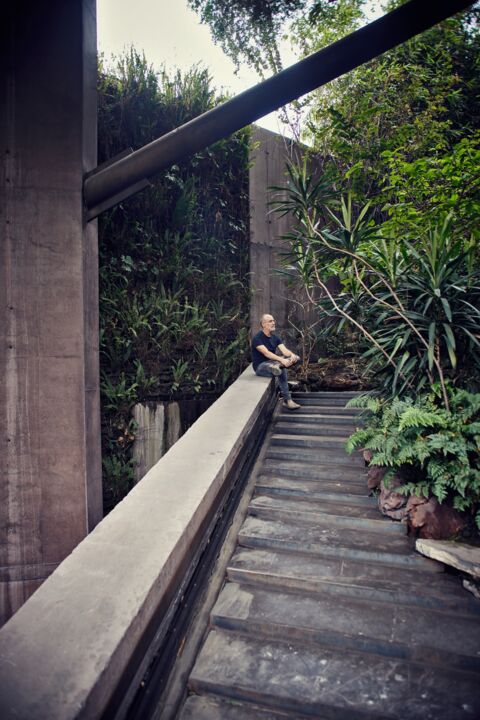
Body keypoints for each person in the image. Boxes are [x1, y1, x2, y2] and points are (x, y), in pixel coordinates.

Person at [251, 314, 301, 410]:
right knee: (278, 367)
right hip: (260, 367)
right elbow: (267, 354)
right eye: (270, 321)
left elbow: (285, 351)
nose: (273, 323)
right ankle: (288, 400)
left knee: (295, 359)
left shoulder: (275, 338)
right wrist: (282, 360)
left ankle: (278, 368)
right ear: (263, 324)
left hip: (273, 363)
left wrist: (292, 355)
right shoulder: (257, 338)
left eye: (273, 321)